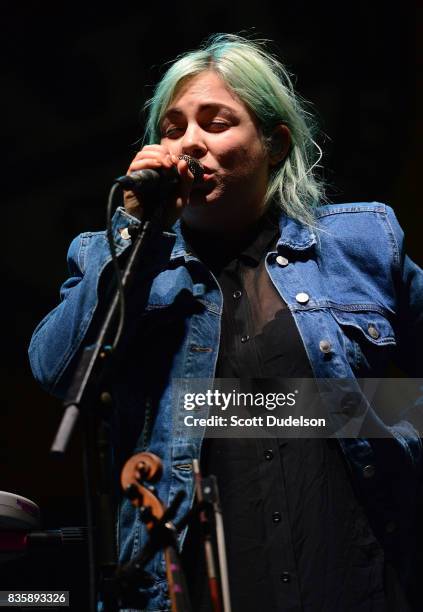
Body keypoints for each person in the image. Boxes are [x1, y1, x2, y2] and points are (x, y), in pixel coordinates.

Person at [29, 33, 422, 611]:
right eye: (172, 128)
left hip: (359, 581)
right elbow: (54, 370)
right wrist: (135, 234)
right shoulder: (110, 257)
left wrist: (220, 407)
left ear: (274, 143)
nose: (189, 143)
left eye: (216, 123)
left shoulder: (362, 242)